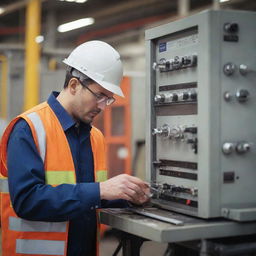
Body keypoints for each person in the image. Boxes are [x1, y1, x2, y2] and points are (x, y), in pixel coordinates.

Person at [0, 40, 149, 256]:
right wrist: (100, 189)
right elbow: (27, 201)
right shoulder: (28, 128)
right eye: (99, 96)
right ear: (73, 85)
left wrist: (127, 195)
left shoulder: (95, 137)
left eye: (108, 99)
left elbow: (85, 197)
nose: (102, 107)